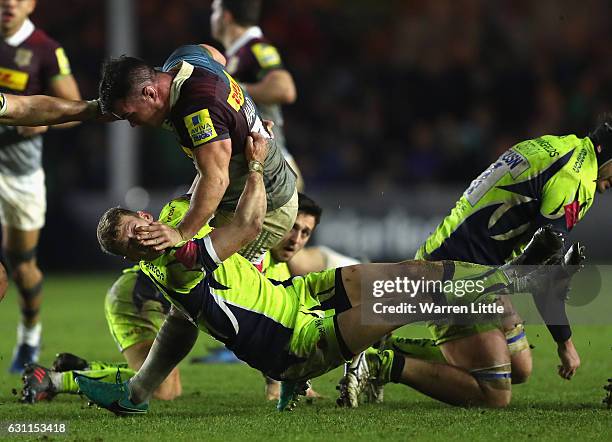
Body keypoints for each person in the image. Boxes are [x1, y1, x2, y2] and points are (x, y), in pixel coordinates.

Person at [73, 131, 575, 415]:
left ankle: (513, 281)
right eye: (130, 244)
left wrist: (139, 391)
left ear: (141, 216)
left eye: (135, 226)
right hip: (294, 341)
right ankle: (523, 277)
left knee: (413, 272)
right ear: (133, 257)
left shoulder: (172, 221)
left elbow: (182, 326)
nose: (141, 235)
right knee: (411, 299)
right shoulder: (175, 261)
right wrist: (252, 164)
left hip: (297, 295)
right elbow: (248, 224)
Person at [339, 119, 612, 408]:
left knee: (520, 366)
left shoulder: (559, 145)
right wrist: (565, 343)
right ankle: (380, 364)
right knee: (495, 394)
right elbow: (542, 268)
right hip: (461, 272)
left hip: (472, 261)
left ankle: (388, 346)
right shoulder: (576, 180)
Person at [0, 43, 298, 266]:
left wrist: (181, 233)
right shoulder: (183, 60)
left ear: (150, 94)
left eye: (130, 115)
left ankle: (286, 340)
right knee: (188, 286)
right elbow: (214, 55)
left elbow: (216, 179)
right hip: (241, 193)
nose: (130, 123)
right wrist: (238, 114)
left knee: (199, 279)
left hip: (266, 203)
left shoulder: (198, 108)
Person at [0, 0, 82, 373]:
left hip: (20, 175)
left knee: (21, 266)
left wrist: (43, 122)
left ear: (31, 3)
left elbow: (74, 108)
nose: (8, 2)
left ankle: (30, 334)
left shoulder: (45, 49)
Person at [20, 265, 182, 403]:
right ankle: (52, 381)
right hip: (140, 298)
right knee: (161, 387)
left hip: (164, 298)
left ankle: (88, 369)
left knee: (172, 388)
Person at [210, 0, 303, 191]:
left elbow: (285, 90)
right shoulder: (236, 55)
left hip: (272, 170)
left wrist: (235, 90)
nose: (212, 17)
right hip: (257, 167)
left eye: (214, 10)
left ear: (226, 16)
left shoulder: (256, 49)